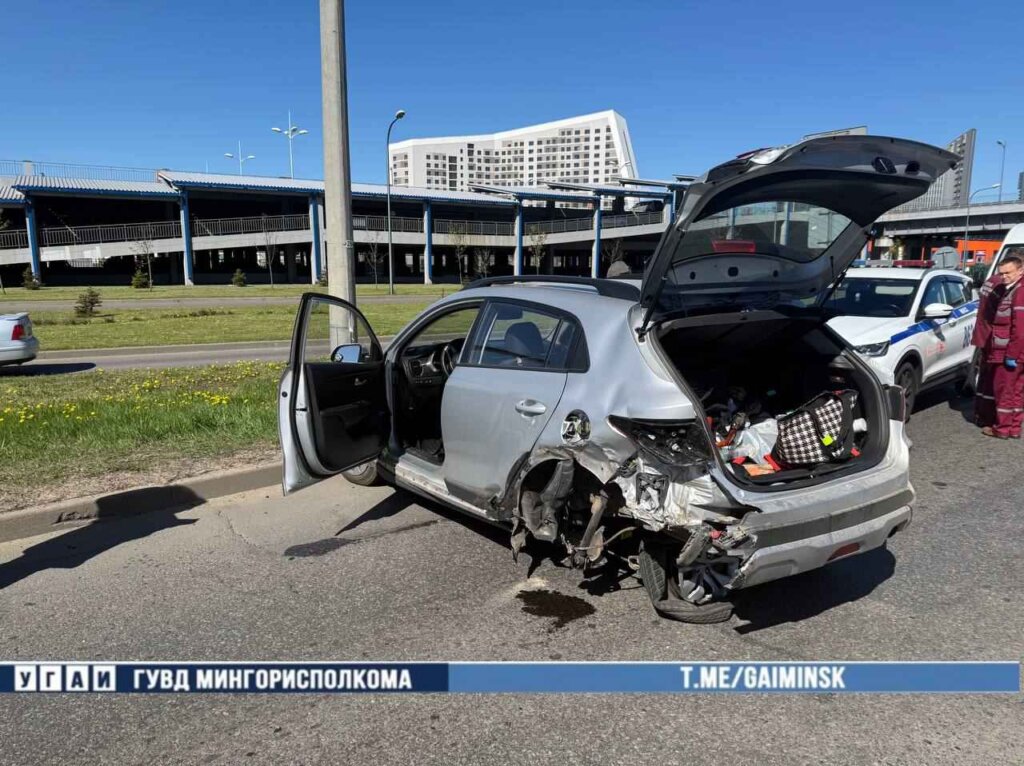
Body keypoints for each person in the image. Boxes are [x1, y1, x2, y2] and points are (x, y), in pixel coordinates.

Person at [973, 255, 1024, 438]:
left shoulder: (1019, 292)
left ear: (1020, 271)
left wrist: (1011, 354)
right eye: (1001, 273)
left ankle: (1002, 429)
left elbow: (1019, 329)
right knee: (1016, 391)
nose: (1003, 277)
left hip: (1009, 351)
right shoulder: (1011, 289)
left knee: (1004, 390)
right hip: (1014, 351)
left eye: (1008, 273)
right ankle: (1014, 428)